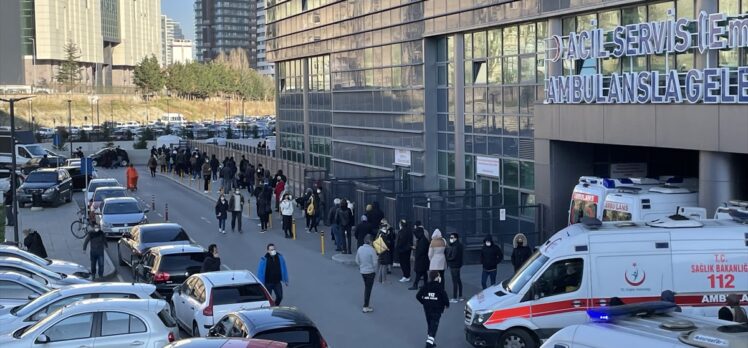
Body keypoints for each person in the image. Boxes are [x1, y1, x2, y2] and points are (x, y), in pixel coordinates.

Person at [416, 271, 450, 348]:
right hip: (437, 309)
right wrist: (447, 305)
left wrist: (424, 302)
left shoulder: (426, 286)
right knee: (434, 325)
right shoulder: (439, 287)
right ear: (437, 278)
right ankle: (429, 343)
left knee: (430, 324)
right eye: (439, 276)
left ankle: (430, 341)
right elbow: (445, 298)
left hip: (427, 308)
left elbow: (418, 296)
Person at [355, 234, 378, 313]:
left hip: (363, 271)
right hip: (370, 272)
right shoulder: (372, 250)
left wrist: (361, 266)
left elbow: (357, 261)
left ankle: (366, 304)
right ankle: (366, 306)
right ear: (370, 241)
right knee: (368, 289)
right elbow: (375, 263)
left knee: (366, 287)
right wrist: (375, 271)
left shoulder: (360, 249)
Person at [409, 226, 430, 290]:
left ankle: (415, 285)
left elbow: (421, 251)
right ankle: (425, 284)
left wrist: (416, 250)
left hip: (421, 259)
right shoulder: (423, 239)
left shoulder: (422, 240)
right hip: (424, 259)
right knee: (424, 272)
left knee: (419, 273)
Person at [446, 232, 464, 302]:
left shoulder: (454, 246)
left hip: (454, 265)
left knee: (455, 281)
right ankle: (460, 296)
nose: (450, 239)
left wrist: (447, 258)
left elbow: (453, 257)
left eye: (452, 237)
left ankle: (454, 297)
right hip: (458, 265)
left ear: (456, 238)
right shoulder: (460, 245)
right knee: (458, 280)